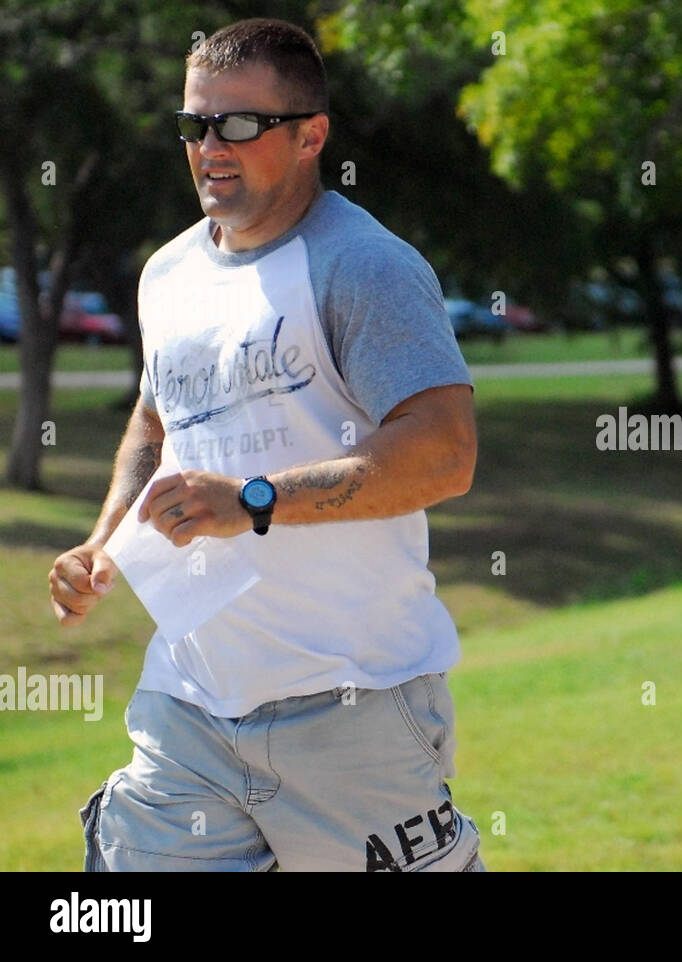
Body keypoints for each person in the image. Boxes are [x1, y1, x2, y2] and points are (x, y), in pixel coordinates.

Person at [47, 18, 484, 872]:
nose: (210, 146)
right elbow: (156, 420)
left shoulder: (363, 266)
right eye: (193, 124)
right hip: (189, 705)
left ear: (311, 135)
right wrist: (102, 545)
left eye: (239, 125)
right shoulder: (167, 275)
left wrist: (253, 501)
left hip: (352, 704)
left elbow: (444, 453)